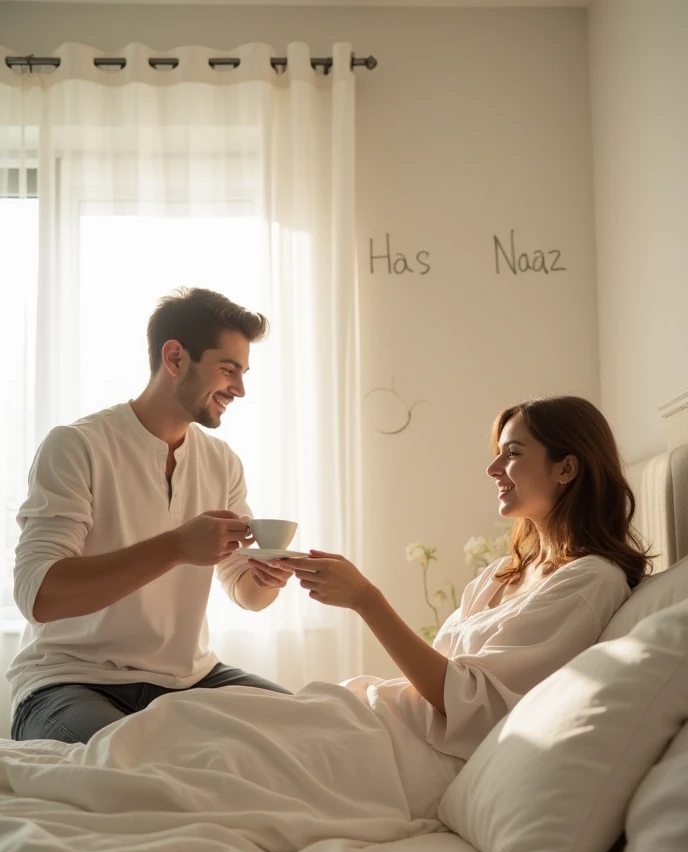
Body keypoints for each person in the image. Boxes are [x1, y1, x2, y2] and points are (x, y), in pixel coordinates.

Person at [271, 396, 651, 760]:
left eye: (513, 453)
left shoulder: (591, 581)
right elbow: (436, 673)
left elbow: (467, 705)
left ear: (566, 469)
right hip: (383, 718)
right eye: (498, 452)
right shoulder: (501, 574)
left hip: (407, 752)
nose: (493, 468)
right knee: (237, 720)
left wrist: (366, 600)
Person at [10, 287, 295, 744]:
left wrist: (264, 579)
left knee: (314, 727)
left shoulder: (222, 462)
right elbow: (39, 595)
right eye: (228, 370)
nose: (239, 389)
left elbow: (244, 590)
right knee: (136, 764)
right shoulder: (77, 446)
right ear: (176, 357)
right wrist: (178, 547)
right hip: (71, 680)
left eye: (242, 374)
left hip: (191, 678)